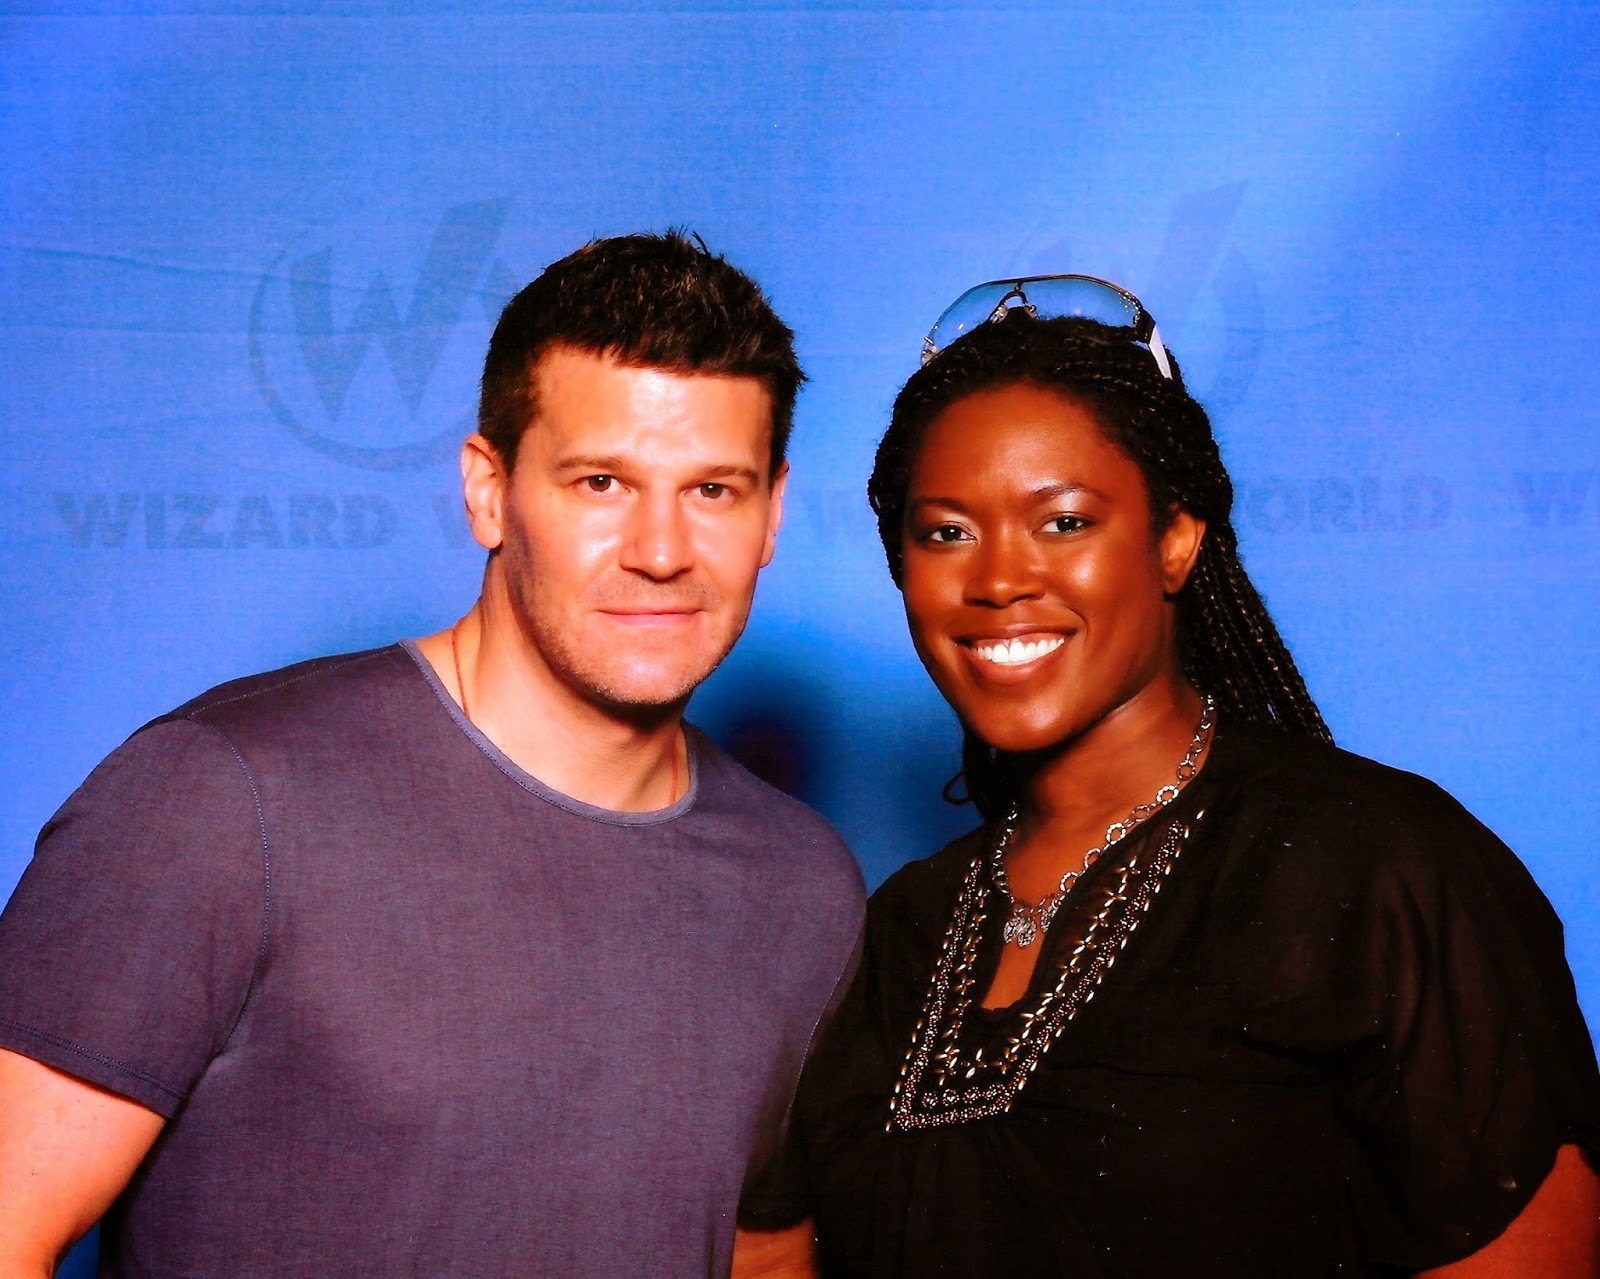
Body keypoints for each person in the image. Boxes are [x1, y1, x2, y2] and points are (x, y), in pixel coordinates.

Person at [0, 231, 865, 1278]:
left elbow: (762, 1257)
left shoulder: (802, 888)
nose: (661, 549)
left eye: (713, 490)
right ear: (488, 489)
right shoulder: (224, 800)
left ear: (773, 512)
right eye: (601, 482)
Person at [736, 276, 1600, 1277]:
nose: (999, 578)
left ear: (1176, 541)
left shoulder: (1377, 864)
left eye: (1064, 522)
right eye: (947, 532)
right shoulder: (900, 930)